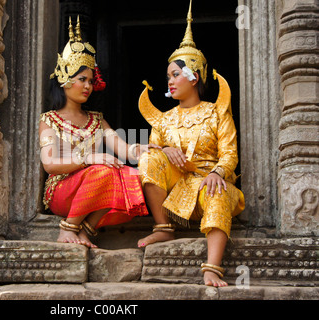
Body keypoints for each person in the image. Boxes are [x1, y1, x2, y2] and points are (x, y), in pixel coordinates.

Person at [136, 0, 245, 287]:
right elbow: (151, 155)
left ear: (193, 77)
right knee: (149, 158)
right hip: (174, 195)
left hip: (208, 187)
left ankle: (212, 267)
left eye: (175, 75)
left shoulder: (216, 111)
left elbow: (230, 154)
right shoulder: (164, 119)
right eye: (168, 76)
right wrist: (164, 150)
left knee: (217, 191)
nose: (169, 82)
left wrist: (216, 173)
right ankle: (163, 227)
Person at [40, 17, 158, 248]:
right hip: (62, 191)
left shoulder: (97, 119)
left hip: (95, 186)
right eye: (82, 79)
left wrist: (141, 149)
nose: (88, 86)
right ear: (64, 80)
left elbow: (123, 150)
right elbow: (49, 164)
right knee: (104, 170)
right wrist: (88, 159)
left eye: (91, 81)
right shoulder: (49, 120)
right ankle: (68, 228)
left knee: (131, 175)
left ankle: (85, 229)